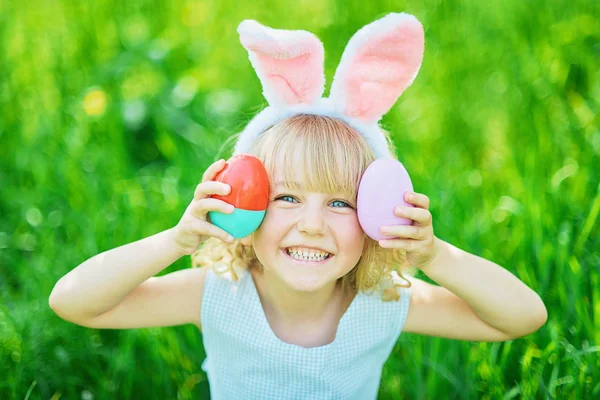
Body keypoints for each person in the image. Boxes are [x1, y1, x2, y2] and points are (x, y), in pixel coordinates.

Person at [49, 13, 547, 399]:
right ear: (246, 207)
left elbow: (522, 317)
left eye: (340, 203)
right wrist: (175, 241)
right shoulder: (218, 295)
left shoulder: (384, 302)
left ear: (378, 220)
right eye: (287, 197)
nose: (311, 225)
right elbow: (72, 301)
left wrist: (433, 256)